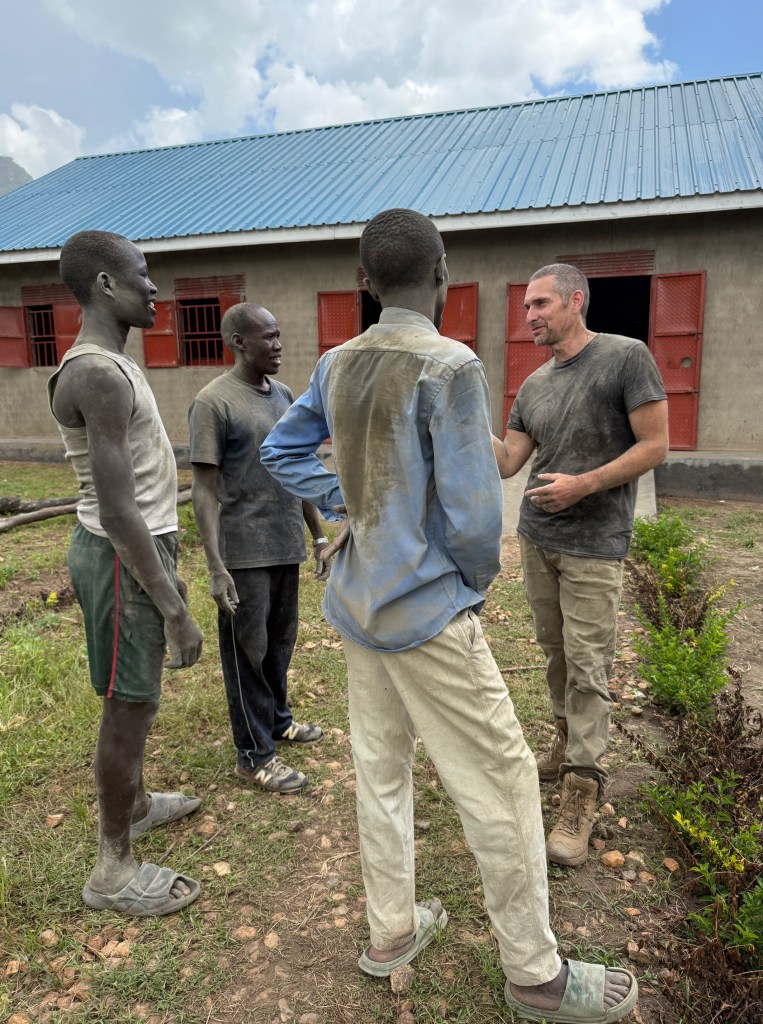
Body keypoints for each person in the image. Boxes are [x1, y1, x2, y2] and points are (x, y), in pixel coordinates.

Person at [260, 210, 638, 1022]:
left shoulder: (335, 362)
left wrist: (352, 505)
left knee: (382, 772)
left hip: (359, 607)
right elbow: (472, 514)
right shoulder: (450, 365)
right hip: (428, 614)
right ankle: (534, 975)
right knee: (501, 783)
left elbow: (280, 453)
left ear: (364, 281)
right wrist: (469, 582)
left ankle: (391, 933)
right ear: (440, 274)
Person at [49, 230, 204, 916]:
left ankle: (136, 804)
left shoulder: (114, 364)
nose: (155, 289)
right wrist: (171, 605)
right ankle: (112, 870)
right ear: (106, 285)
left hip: (138, 552)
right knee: (128, 705)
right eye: (143, 276)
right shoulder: (95, 374)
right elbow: (117, 512)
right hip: (119, 558)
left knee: (135, 695)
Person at [493, 263, 668, 868]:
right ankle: (566, 744)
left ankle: (581, 793)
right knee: (557, 653)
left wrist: (584, 486)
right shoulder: (533, 385)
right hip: (538, 538)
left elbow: (655, 445)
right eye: (525, 308)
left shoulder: (625, 357)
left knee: (589, 664)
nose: (530, 316)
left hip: (595, 542)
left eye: (540, 304)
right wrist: (457, 412)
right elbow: (508, 461)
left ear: (575, 300)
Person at [189, 303, 328, 794]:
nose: (278, 345)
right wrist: (216, 566)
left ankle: (278, 720)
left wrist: (319, 534)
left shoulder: (284, 395)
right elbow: (203, 491)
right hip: (243, 553)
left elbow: (299, 468)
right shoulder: (214, 402)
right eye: (267, 337)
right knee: (247, 653)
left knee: (279, 644)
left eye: (279, 335)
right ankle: (252, 756)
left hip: (283, 543)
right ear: (238, 342)